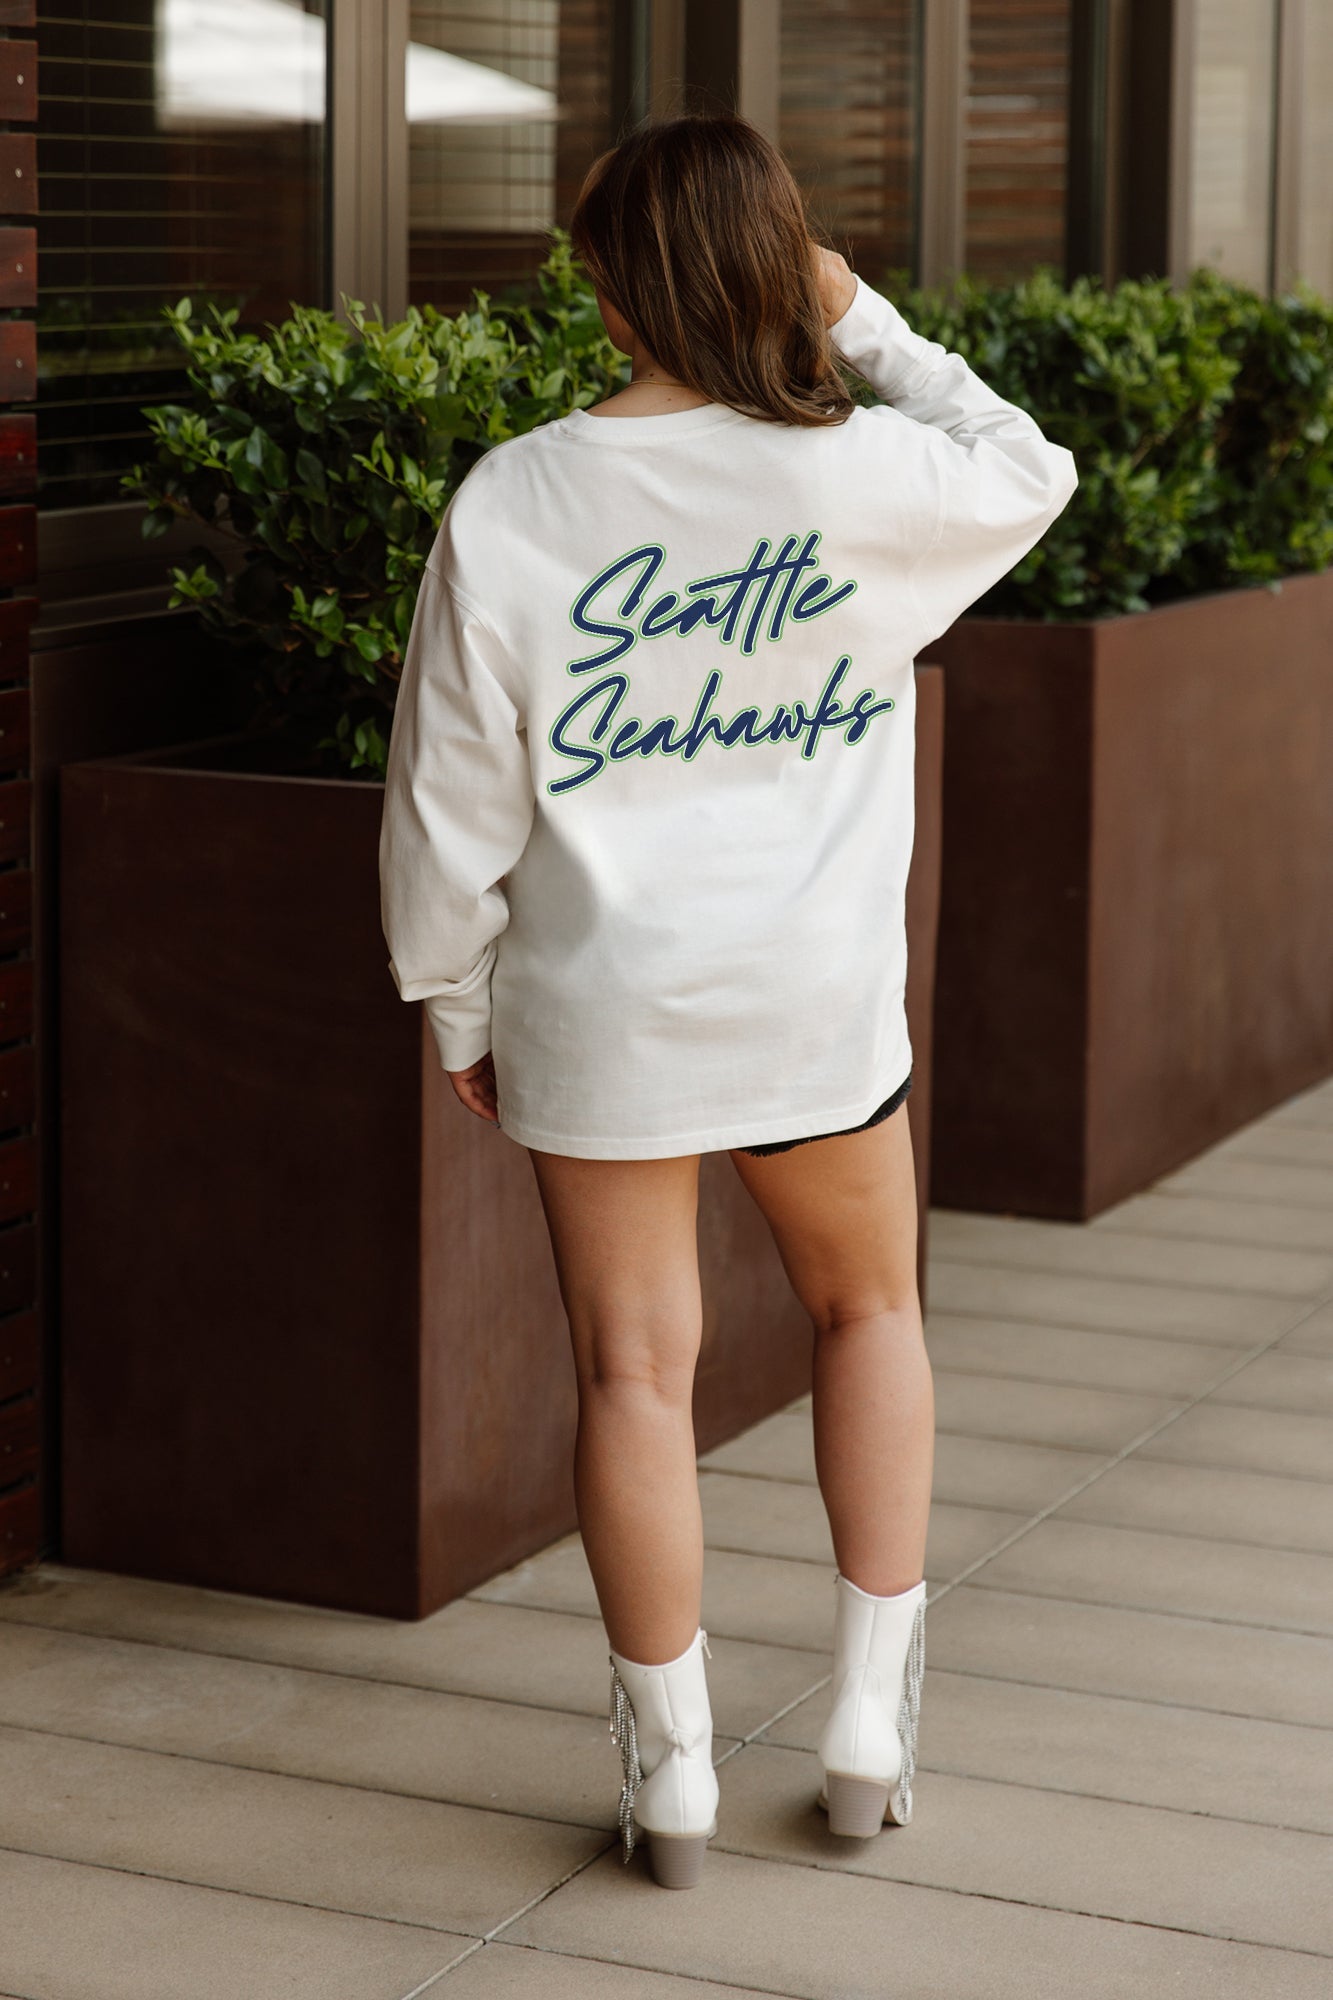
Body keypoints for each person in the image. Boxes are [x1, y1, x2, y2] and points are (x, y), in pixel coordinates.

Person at [378, 110, 1079, 1891]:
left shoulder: (516, 498)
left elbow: (447, 803)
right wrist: (862, 321)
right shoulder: (866, 476)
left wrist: (453, 1004)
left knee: (631, 1368)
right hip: (813, 1002)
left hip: (600, 1004)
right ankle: (863, 1728)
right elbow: (1029, 465)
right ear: (778, 269)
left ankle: (673, 1773)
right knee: (870, 1310)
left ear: (609, 293)